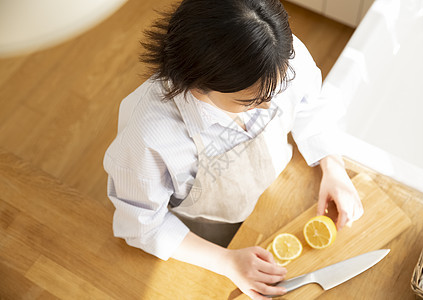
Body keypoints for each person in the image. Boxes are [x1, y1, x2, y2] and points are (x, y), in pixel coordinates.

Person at [103, 0, 364, 298]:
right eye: (250, 101)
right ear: (195, 82)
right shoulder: (149, 137)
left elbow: (309, 104)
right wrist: (226, 261)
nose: (269, 105)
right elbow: (141, 225)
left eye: (275, 90)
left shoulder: (275, 54)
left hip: (274, 194)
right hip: (205, 228)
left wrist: (333, 166)